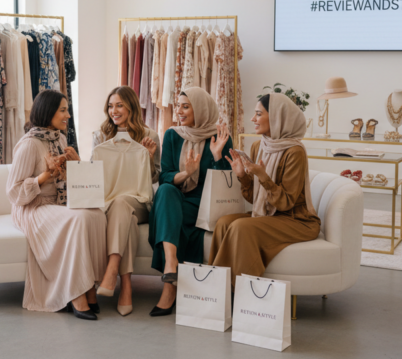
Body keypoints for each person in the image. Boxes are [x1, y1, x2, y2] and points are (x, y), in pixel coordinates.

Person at [6, 90, 107, 320]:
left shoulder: (59, 139)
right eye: (63, 110)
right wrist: (43, 177)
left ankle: (89, 285)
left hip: (56, 203)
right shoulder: (29, 145)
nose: (68, 115)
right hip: (32, 208)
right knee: (79, 218)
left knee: (97, 215)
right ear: (48, 112)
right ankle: (76, 294)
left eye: (67, 110)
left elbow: (67, 182)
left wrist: (74, 164)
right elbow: (13, 192)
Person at [210, 93, 321, 282]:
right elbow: (255, 199)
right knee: (223, 223)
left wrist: (263, 176)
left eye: (258, 114)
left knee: (241, 227)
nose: (253, 119)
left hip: (296, 219)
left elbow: (286, 203)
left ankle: (236, 292)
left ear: (277, 117)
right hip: (271, 214)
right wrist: (243, 176)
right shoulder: (257, 146)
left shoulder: (295, 152)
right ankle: (219, 289)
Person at [147, 86, 232, 316]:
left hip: (202, 204)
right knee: (165, 190)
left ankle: (169, 289)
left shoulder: (221, 137)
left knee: (168, 211)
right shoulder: (173, 135)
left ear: (201, 109)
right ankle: (171, 264)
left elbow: (226, 182)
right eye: (179, 106)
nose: (180, 112)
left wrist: (216, 157)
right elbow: (164, 174)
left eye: (186, 106)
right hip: (174, 198)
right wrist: (185, 173)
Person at [91, 86, 160, 316]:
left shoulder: (150, 136)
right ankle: (126, 287)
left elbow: (154, 178)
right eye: (111, 106)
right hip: (110, 203)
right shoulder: (100, 137)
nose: (114, 110)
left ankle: (111, 271)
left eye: (119, 105)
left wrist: (149, 160)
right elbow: (94, 175)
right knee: (124, 215)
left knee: (123, 204)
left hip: (140, 202)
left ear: (131, 106)